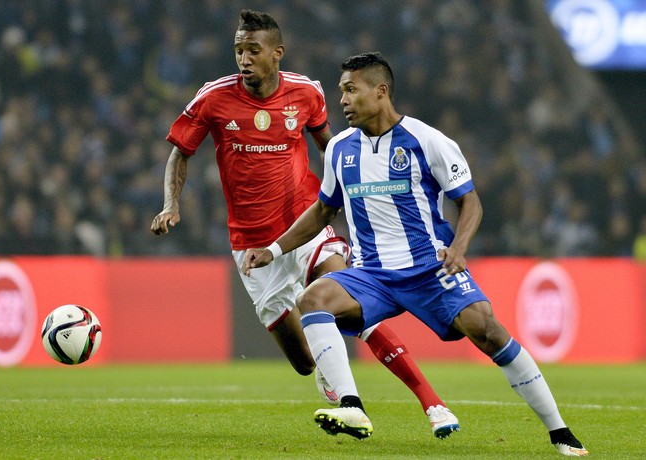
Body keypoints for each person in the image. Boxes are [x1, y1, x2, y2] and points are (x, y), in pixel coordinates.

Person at [242, 52, 588, 456]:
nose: (343, 101)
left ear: (381, 91)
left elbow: (470, 202)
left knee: (489, 331)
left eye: (351, 90)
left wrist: (458, 249)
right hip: (371, 274)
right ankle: (351, 406)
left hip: (429, 269)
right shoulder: (338, 149)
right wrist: (272, 249)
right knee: (312, 299)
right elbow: (323, 210)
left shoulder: (428, 141)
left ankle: (559, 431)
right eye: (341, 92)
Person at [150, 10, 459, 438]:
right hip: (252, 245)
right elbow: (180, 152)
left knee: (357, 310)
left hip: (306, 226)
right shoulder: (213, 97)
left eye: (253, 50)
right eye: (238, 49)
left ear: (276, 53)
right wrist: (171, 204)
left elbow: (334, 152)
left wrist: (366, 198)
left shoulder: (307, 93)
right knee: (303, 362)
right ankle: (327, 370)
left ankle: (432, 405)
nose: (243, 58)